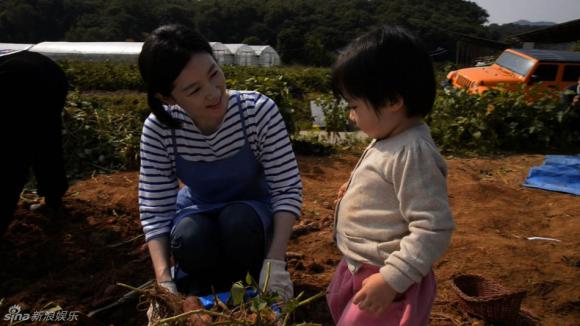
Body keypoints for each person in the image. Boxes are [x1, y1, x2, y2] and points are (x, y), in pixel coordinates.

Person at [137, 24, 302, 303]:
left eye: (214, 74)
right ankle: (204, 293)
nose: (213, 93)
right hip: (198, 209)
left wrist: (275, 262)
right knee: (190, 237)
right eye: (194, 90)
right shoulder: (159, 129)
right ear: (167, 97)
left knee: (238, 224)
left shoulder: (256, 112)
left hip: (253, 216)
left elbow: (286, 189)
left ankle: (254, 285)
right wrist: (164, 281)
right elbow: (156, 208)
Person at [326, 26, 455, 325]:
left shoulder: (414, 152)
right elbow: (387, 182)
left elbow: (433, 228)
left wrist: (393, 280)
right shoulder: (390, 137)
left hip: (387, 278)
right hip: (362, 265)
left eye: (354, 106)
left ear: (393, 100)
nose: (351, 116)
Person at [0, 50, 69, 236]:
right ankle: (53, 197)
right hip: (50, 72)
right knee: (46, 139)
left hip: (20, 77)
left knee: (14, 156)